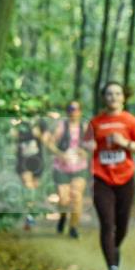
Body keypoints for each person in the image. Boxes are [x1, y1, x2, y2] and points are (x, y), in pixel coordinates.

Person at [84, 82, 135, 270]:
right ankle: (112, 268)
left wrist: (125, 143)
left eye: (117, 93)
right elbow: (84, 146)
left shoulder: (130, 121)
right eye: (109, 94)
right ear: (104, 98)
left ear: (123, 97)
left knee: (122, 225)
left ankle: (115, 247)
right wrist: (88, 146)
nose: (113, 97)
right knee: (107, 222)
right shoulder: (95, 122)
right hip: (101, 177)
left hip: (125, 178)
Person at [46, 101, 88, 239]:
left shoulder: (85, 127)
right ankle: (63, 216)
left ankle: (73, 227)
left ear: (80, 111)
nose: (73, 111)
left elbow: (93, 144)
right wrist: (60, 154)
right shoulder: (61, 127)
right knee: (64, 200)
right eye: (70, 109)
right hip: (61, 167)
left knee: (76, 196)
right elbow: (49, 143)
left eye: (76, 109)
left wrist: (85, 151)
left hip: (79, 167)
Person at [15, 118, 46, 230]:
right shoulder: (19, 122)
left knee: (34, 191)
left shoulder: (41, 122)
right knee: (29, 188)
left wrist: (39, 134)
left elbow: (47, 141)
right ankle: (29, 219)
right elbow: (12, 136)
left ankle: (31, 214)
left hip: (37, 161)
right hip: (23, 161)